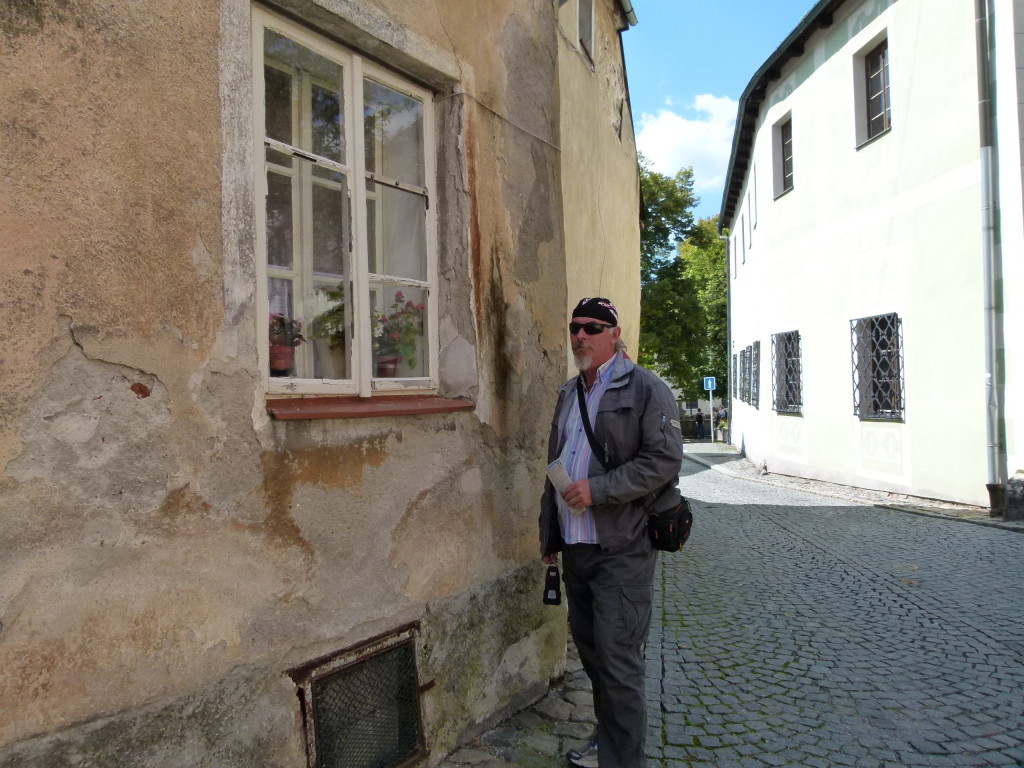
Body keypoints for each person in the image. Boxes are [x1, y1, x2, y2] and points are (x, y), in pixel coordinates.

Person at [539, 297, 684, 768]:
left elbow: (662, 462)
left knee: (619, 663)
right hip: (576, 545)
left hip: (623, 547)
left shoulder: (646, 388)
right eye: (576, 326)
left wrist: (598, 490)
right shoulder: (568, 393)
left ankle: (624, 762)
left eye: (594, 328)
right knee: (595, 657)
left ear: (615, 334)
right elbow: (555, 468)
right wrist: (549, 538)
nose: (581, 335)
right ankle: (608, 744)